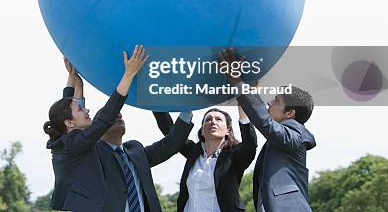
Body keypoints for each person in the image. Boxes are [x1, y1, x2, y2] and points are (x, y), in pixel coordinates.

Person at [44, 45, 191, 212]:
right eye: (112, 116)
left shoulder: (135, 151)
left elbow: (170, 145)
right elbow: (82, 126)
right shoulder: (86, 152)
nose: (117, 115)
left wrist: (188, 107)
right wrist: (129, 74)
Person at [219, 48, 316, 212]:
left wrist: (238, 82)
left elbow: (265, 123)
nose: (270, 103)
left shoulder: (297, 134)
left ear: (290, 113)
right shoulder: (282, 139)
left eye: (276, 100)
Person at [153, 104, 257, 211]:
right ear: (202, 130)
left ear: (228, 131)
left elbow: (250, 146)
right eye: (208, 119)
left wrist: (244, 115)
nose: (213, 121)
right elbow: (171, 133)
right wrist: (155, 102)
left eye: (218, 119)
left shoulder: (234, 156)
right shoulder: (193, 152)